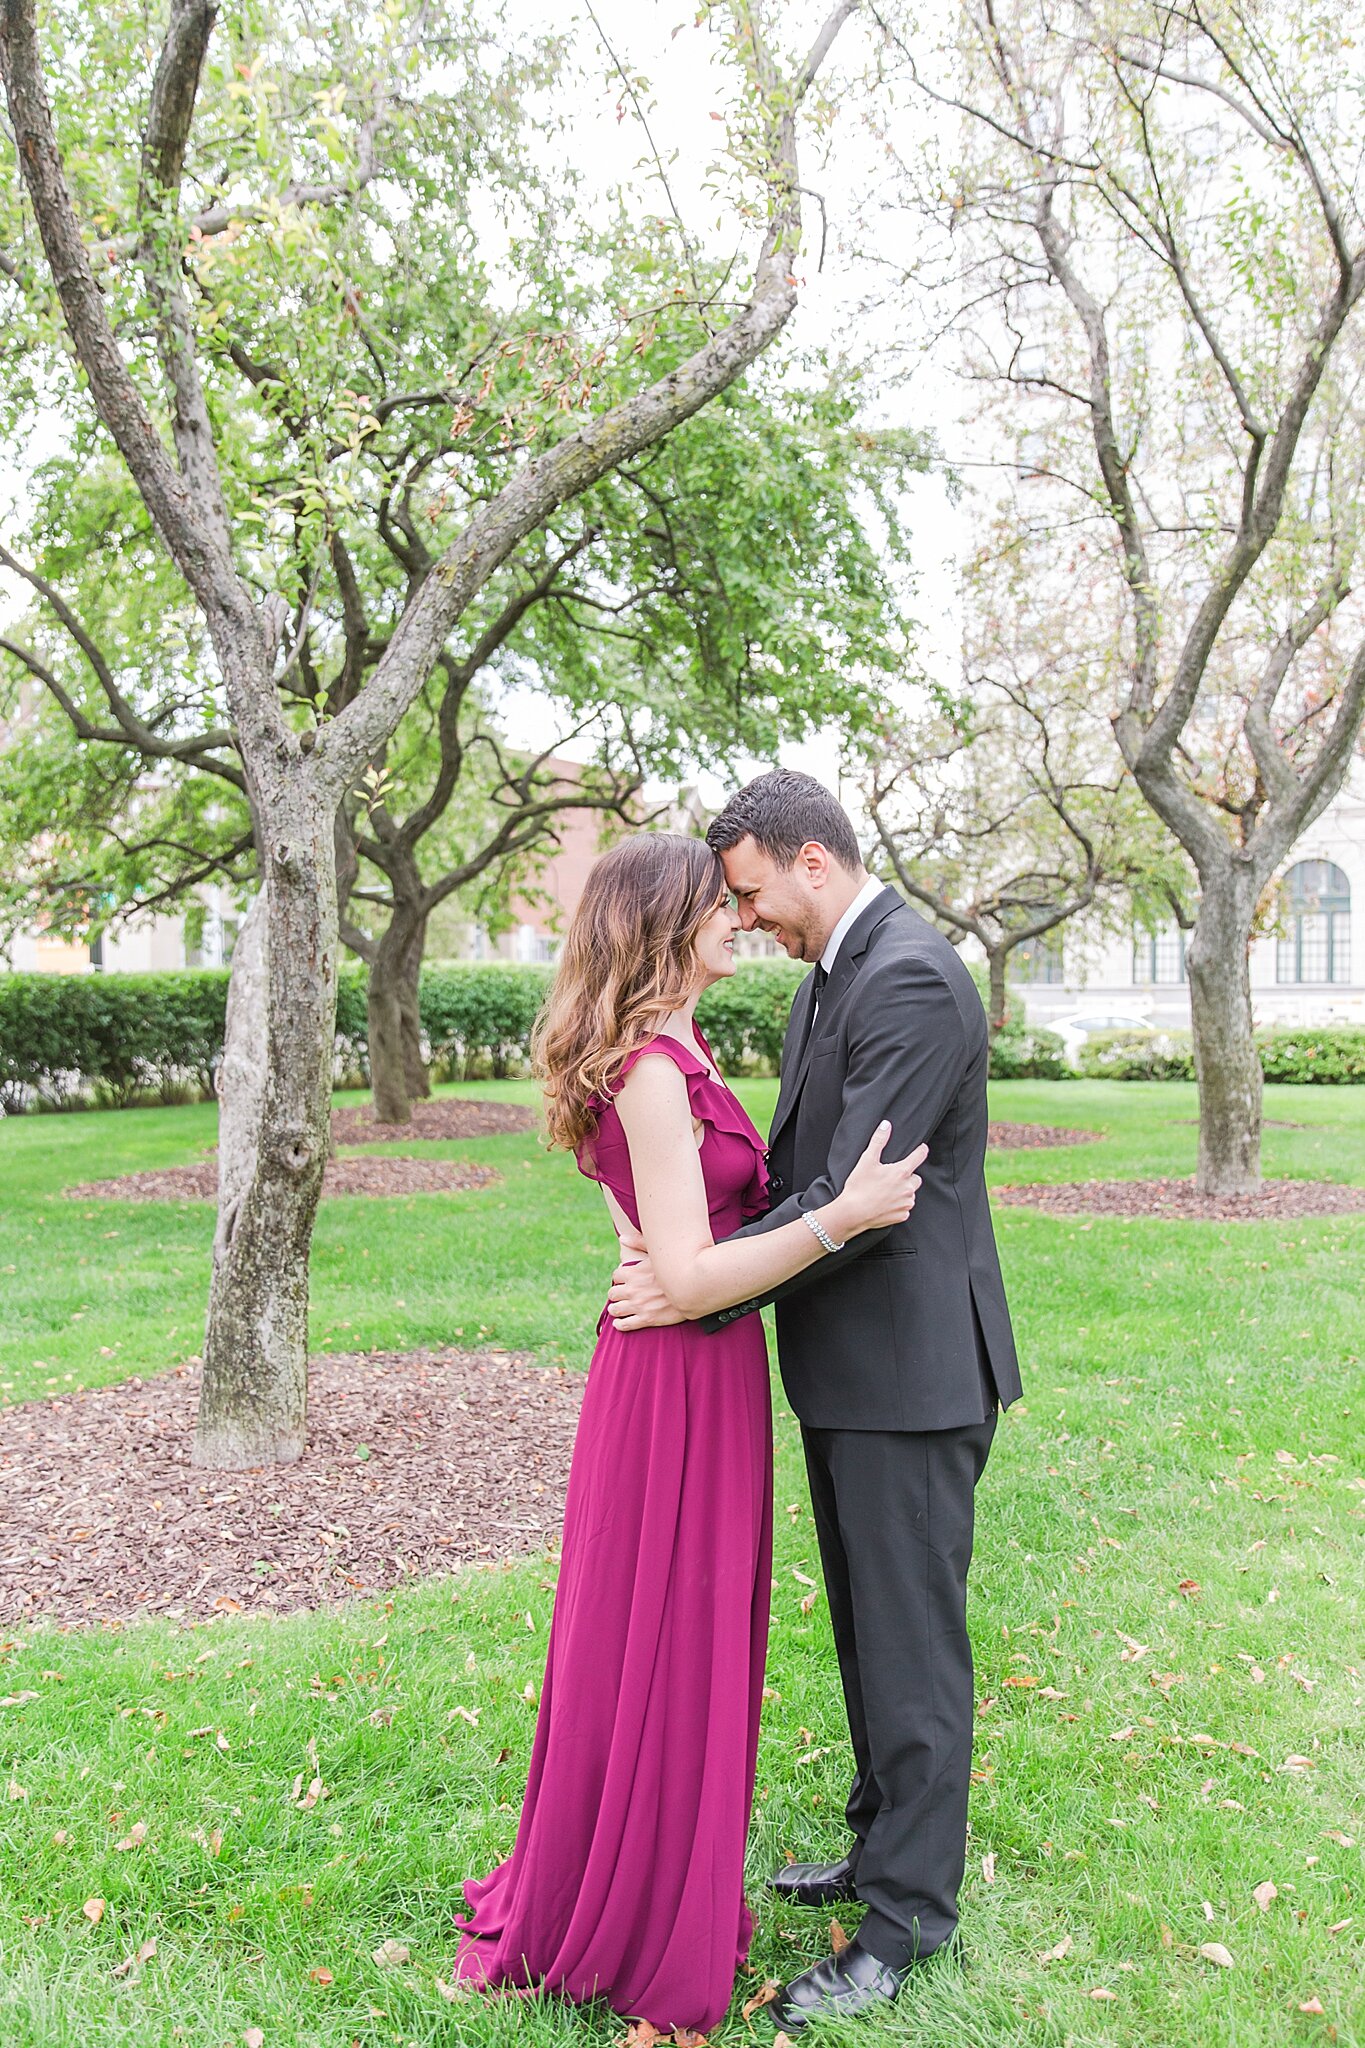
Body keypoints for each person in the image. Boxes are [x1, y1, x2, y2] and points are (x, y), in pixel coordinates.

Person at [452, 831, 925, 2038]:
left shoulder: (677, 1044)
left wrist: (696, 1264)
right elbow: (692, 1272)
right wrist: (845, 1218)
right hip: (672, 1385)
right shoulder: (654, 1071)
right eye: (721, 905)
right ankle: (631, 1910)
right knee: (660, 1632)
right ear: (664, 924)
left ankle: (654, 1868)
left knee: (684, 1629)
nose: (742, 918)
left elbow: (691, 1254)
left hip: (705, 1375)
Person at [607, 771, 1021, 2031]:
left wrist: (696, 1292)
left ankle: (900, 1923)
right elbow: (794, 1174)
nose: (747, 920)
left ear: (812, 863)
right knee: (867, 1638)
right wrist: (688, 1249)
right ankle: (874, 1842)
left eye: (751, 893)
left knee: (912, 1656)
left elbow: (849, 1192)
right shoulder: (838, 975)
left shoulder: (905, 977)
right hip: (850, 1374)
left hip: (910, 1376)